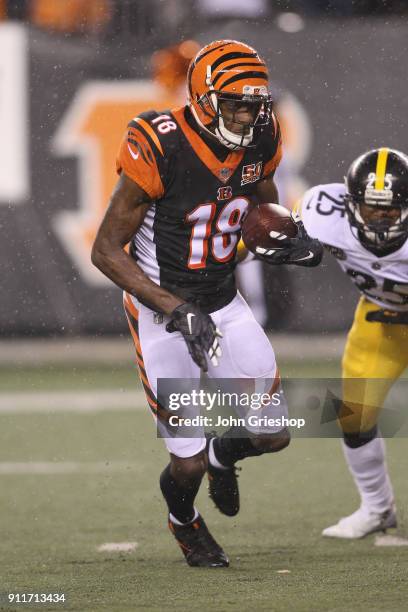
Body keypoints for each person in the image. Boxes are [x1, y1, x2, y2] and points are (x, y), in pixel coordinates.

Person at [91, 39, 322, 567]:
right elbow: (105, 251)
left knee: (272, 433)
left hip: (221, 299)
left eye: (254, 104)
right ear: (203, 98)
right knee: (185, 463)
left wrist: (284, 235)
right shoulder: (159, 142)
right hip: (160, 308)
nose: (247, 114)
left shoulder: (261, 135)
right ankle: (184, 521)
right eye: (235, 103)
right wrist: (174, 308)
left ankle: (224, 453)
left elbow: (262, 206)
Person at [298, 147, 408, 538]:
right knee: (355, 416)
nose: (379, 219)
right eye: (370, 208)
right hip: (381, 321)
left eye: (390, 211)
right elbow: (271, 237)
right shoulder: (323, 213)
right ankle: (378, 508)